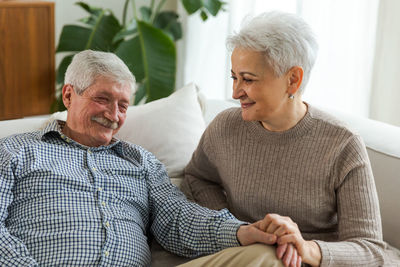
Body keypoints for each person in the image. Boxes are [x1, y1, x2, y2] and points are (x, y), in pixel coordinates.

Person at [0, 50, 301, 267]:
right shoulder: (16, 151)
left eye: (123, 105)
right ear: (68, 96)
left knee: (265, 257)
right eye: (102, 99)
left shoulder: (141, 162)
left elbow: (178, 220)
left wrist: (243, 231)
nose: (113, 115)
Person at [181, 11, 394, 267]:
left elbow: (371, 251)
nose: (236, 92)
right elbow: (197, 177)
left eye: (247, 79)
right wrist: (235, 227)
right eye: (234, 77)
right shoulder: (225, 127)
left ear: (293, 80)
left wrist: (306, 248)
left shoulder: (342, 145)